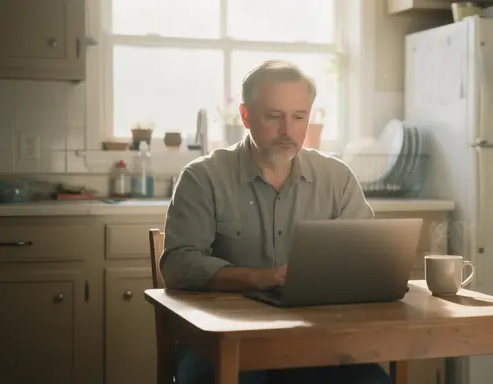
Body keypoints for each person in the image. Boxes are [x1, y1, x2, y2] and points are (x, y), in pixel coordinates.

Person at [160, 60, 390, 384]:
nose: (288, 131)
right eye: (274, 116)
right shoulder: (203, 178)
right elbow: (178, 265)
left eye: (299, 117)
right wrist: (258, 277)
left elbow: (372, 259)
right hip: (222, 341)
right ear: (245, 116)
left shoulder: (336, 177)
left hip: (317, 342)